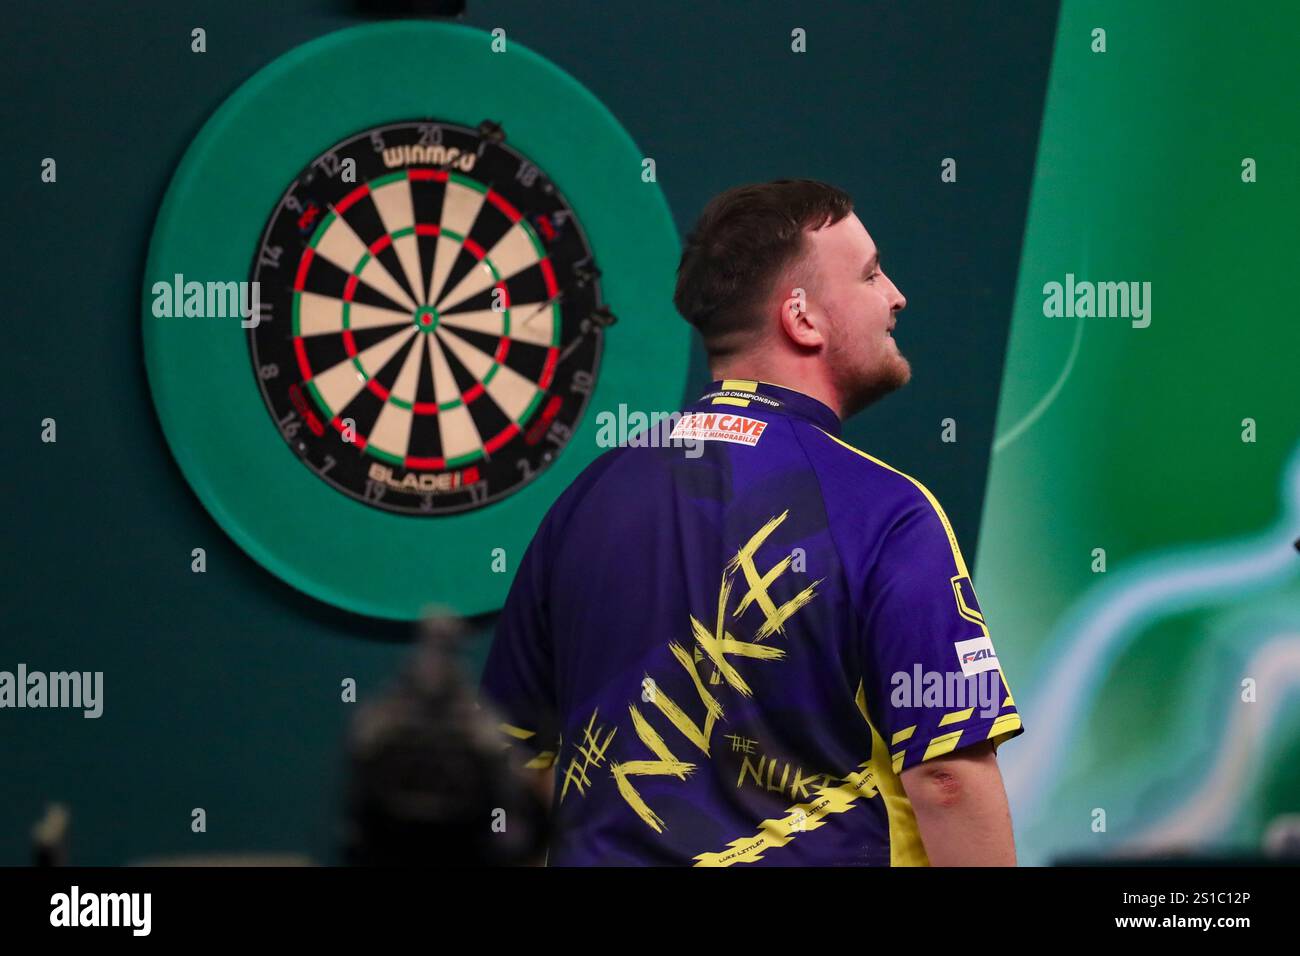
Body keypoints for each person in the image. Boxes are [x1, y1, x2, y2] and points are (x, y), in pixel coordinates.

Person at [480, 179, 1023, 866]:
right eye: (871, 274)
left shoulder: (583, 503)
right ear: (802, 317)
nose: (896, 296)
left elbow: (508, 760)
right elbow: (947, 782)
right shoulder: (890, 513)